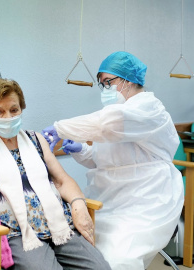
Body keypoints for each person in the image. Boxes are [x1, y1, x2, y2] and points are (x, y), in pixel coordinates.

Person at [0, 78, 111, 270]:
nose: (8, 117)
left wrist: (78, 204)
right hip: (16, 234)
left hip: (59, 225)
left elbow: (62, 181)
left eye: (14, 110)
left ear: (21, 110)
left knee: (100, 267)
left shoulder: (36, 140)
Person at [42, 51, 184, 270]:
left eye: (109, 82)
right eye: (102, 84)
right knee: (91, 254)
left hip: (146, 201)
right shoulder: (114, 113)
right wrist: (82, 151)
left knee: (119, 258)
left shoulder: (148, 108)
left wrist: (60, 128)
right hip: (108, 200)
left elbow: (109, 124)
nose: (105, 88)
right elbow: (104, 161)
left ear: (128, 80)